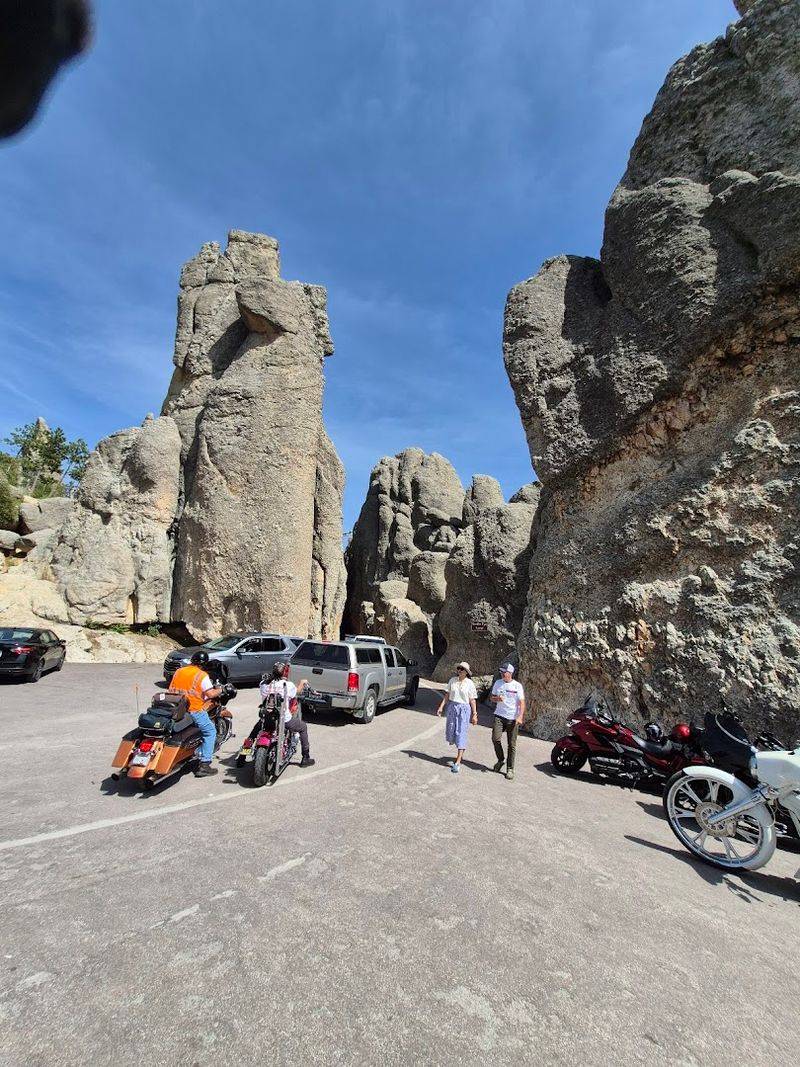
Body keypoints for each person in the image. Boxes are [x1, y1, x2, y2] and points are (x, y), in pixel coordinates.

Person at [237, 662, 316, 768]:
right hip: (284, 720)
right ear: (284, 673)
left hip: (266, 719)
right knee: (303, 727)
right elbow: (297, 692)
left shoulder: (263, 684)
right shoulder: (287, 685)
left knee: (253, 734)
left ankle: (241, 757)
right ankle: (305, 757)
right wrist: (302, 682)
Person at [169, 650, 222, 778]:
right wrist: (220, 690)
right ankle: (204, 765)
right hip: (194, 710)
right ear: (204, 664)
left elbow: (171, 688)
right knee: (210, 731)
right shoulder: (202, 675)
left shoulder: (179, 671)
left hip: (176, 708)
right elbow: (210, 694)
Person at [436, 661, 478, 774]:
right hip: (452, 707)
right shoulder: (452, 680)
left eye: (462, 669)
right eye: (458, 668)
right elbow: (447, 695)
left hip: (464, 710)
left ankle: (458, 761)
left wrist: (474, 714)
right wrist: (441, 707)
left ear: (466, 672)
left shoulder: (470, 683)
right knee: (451, 731)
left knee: (461, 733)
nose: (459, 670)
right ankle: (459, 751)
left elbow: (472, 700)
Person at [490, 662, 525, 781]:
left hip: (512, 718)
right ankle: (501, 760)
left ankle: (510, 769)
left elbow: (522, 702)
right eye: (501, 672)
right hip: (499, 716)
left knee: (511, 744)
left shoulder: (517, 686)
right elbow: (492, 698)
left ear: (510, 673)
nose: (502, 674)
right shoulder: (498, 683)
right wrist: (497, 699)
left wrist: (520, 716)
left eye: (504, 672)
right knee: (495, 739)